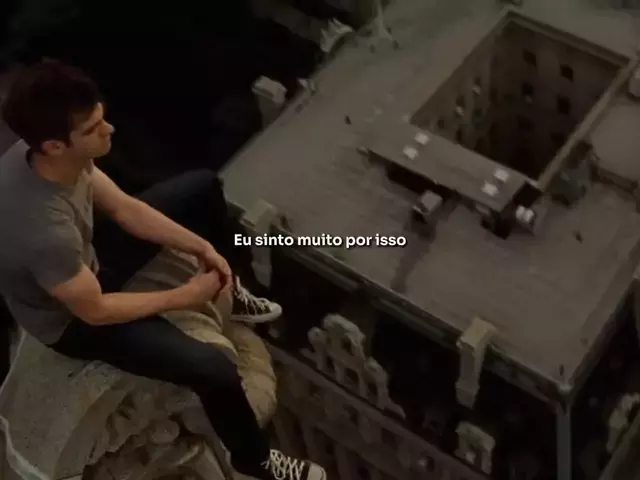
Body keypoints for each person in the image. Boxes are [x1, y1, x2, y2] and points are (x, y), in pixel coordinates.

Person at [0, 59, 326, 480]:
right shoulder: (44, 231)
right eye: (93, 128)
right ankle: (256, 461)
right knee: (213, 369)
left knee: (203, 187)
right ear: (55, 146)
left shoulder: (47, 157)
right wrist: (185, 296)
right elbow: (95, 311)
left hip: (87, 262)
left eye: (102, 117)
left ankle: (233, 290)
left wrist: (203, 248)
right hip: (70, 321)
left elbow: (125, 209)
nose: (109, 129)